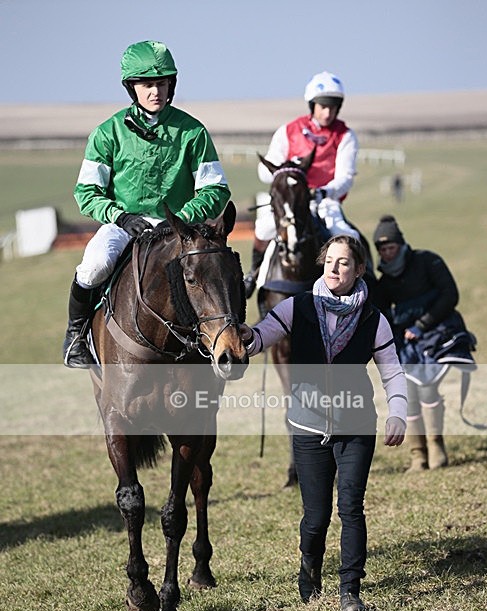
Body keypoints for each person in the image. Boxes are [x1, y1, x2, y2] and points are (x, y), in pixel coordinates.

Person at [240, 235, 407, 611]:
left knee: (351, 507)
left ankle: (350, 589)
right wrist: (244, 338)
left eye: (344, 262)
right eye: (329, 261)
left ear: (359, 269)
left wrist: (398, 412)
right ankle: (309, 569)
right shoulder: (299, 306)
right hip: (308, 426)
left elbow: (393, 372)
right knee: (315, 518)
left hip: (356, 426)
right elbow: (263, 334)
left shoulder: (373, 318)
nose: (334, 268)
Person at [63, 40, 231, 368]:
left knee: (214, 271)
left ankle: (225, 335)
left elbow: (216, 190)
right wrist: (120, 216)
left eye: (162, 83)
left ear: (172, 85)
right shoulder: (107, 133)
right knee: (95, 264)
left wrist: (180, 220)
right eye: (147, 84)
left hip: (178, 228)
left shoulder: (193, 132)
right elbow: (86, 191)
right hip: (123, 224)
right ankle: (75, 336)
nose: (156, 91)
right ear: (132, 88)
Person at [244, 71, 362, 298]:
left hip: (325, 202)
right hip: (289, 202)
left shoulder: (346, 135)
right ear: (312, 105)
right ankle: (253, 273)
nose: (327, 112)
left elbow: (345, 177)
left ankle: (361, 288)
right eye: (322, 106)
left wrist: (323, 191)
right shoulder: (288, 131)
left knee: (348, 236)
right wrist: (286, 177)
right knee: (263, 228)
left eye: (333, 107)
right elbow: (265, 171)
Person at [372, 215, 460, 471]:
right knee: (406, 394)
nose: (388, 253)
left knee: (428, 388)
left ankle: (436, 447)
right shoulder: (384, 282)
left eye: (392, 247)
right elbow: (383, 313)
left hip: (437, 333)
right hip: (405, 343)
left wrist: (421, 324)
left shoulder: (427, 261)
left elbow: (450, 294)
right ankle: (417, 454)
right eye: (383, 249)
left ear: (401, 244)